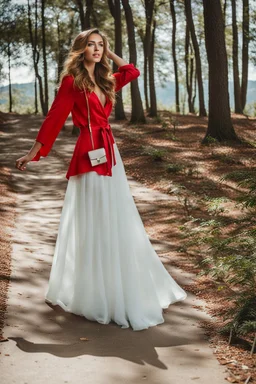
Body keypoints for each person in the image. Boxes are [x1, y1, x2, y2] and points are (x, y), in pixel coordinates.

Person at [15, 28, 187, 331]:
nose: (96, 49)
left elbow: (131, 70)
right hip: (88, 154)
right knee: (94, 217)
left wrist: (109, 53)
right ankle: (93, 290)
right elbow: (54, 118)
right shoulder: (72, 82)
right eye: (91, 45)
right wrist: (34, 152)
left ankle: (116, 282)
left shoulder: (107, 79)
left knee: (116, 216)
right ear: (81, 49)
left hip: (110, 153)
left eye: (100, 45)